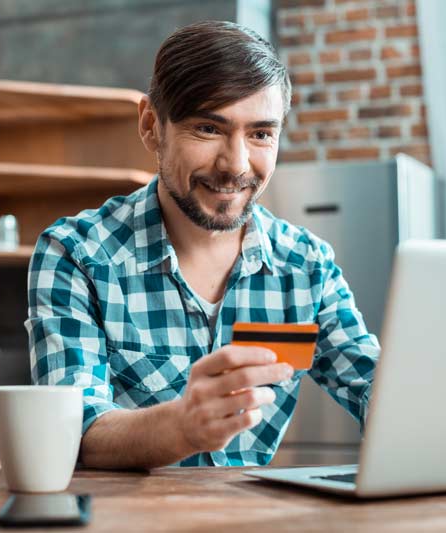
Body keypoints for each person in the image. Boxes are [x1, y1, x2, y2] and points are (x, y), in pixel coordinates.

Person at [25, 20, 379, 469]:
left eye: (260, 134)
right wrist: (182, 427)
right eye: (209, 129)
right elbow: (72, 431)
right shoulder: (76, 254)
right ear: (152, 125)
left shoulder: (306, 266)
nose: (235, 164)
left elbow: (374, 389)